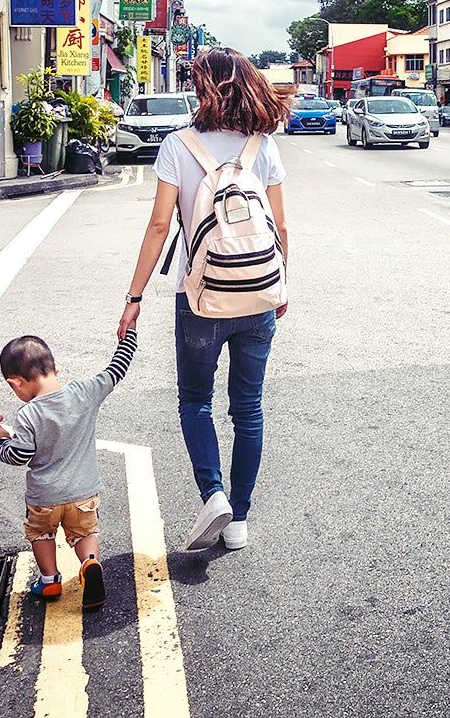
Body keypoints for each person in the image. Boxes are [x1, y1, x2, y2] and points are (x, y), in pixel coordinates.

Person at [117, 46, 290, 553]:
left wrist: (134, 297)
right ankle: (239, 518)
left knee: (195, 400)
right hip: (259, 292)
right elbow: (280, 225)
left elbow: (158, 225)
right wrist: (283, 285)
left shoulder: (179, 145)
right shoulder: (263, 146)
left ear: (203, 86)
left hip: (201, 297)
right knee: (249, 409)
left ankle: (212, 493)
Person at [0, 330, 137, 608]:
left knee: (41, 535)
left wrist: (1, 442)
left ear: (16, 383)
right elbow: (117, 368)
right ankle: (90, 564)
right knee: (84, 533)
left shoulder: (28, 415)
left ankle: (49, 581)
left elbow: (19, 455)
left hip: (44, 498)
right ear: (56, 368)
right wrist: (129, 335)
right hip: (83, 492)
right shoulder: (85, 392)